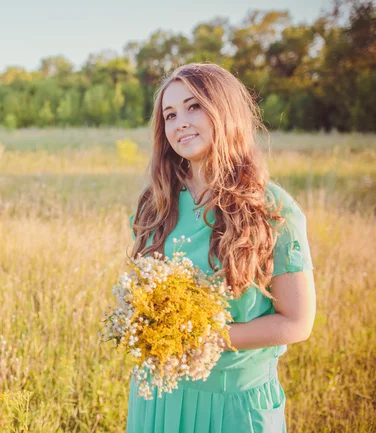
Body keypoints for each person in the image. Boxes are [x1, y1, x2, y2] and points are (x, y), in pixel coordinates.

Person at [126, 63, 316, 433]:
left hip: (234, 405)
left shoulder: (272, 209)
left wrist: (205, 339)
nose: (180, 121)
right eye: (170, 114)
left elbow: (297, 322)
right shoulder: (156, 203)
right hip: (158, 396)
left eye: (194, 106)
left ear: (225, 111)